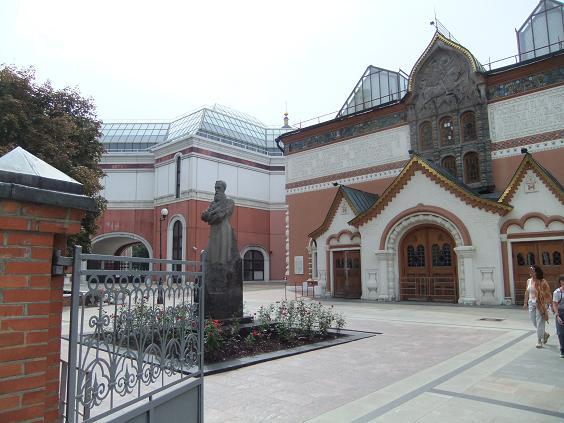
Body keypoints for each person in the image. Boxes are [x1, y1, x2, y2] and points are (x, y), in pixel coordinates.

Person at [523, 265, 552, 348]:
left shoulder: (542, 281)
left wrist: (548, 303)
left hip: (541, 304)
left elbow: (548, 293)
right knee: (533, 320)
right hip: (531, 303)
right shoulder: (529, 281)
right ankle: (544, 334)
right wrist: (525, 303)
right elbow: (527, 292)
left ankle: (539, 340)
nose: (530, 272)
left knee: (540, 322)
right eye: (530, 270)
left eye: (532, 270)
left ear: (536, 272)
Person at [552, 275, 564, 358]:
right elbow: (555, 304)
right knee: (561, 333)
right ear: (560, 282)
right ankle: (562, 349)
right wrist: (557, 315)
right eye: (562, 281)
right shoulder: (557, 292)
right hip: (560, 313)